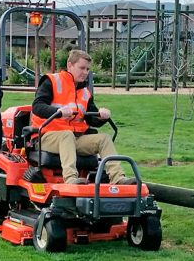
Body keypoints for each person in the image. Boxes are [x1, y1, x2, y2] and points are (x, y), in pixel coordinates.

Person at [31, 49, 136, 185]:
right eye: (82, 68)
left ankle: (118, 178)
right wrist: (58, 111)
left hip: (75, 139)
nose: (85, 72)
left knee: (104, 139)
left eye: (87, 69)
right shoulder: (51, 81)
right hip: (47, 136)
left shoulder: (85, 92)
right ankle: (71, 179)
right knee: (66, 135)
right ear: (70, 65)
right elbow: (37, 106)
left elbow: (91, 119)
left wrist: (101, 116)